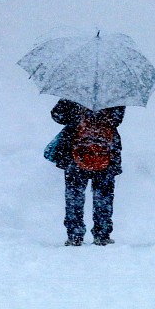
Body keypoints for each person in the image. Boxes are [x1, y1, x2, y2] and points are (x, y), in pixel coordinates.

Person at [50, 98, 125, 246]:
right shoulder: (114, 94)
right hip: (106, 152)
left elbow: (57, 115)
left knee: (74, 196)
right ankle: (102, 234)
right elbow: (116, 120)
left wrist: (77, 113)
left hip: (76, 152)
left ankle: (74, 235)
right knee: (103, 196)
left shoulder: (74, 92)